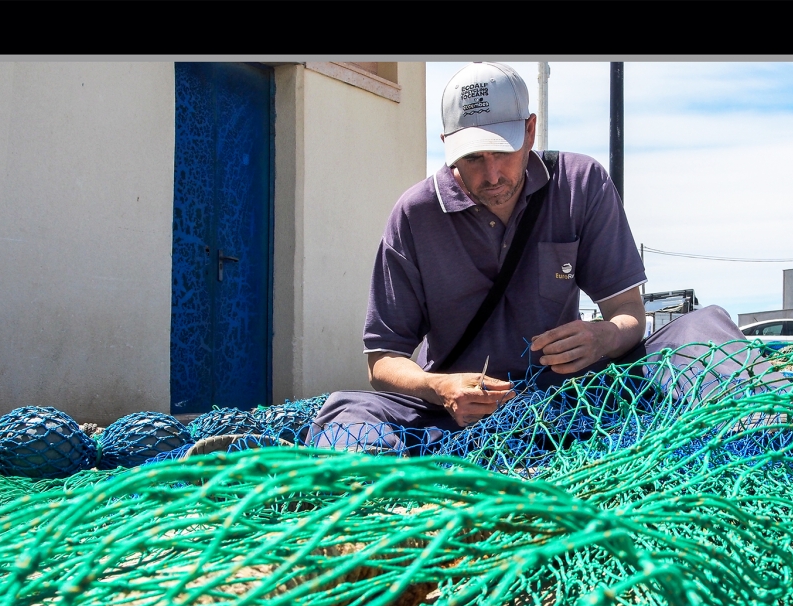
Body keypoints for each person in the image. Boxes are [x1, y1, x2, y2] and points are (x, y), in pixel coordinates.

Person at [310, 62, 748, 451]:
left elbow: (627, 311)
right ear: (446, 144)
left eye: (503, 150)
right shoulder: (414, 214)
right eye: (473, 157)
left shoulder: (581, 183)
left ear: (531, 130)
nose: (492, 174)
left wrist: (602, 338)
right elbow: (382, 360)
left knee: (702, 327)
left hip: (574, 398)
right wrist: (438, 386)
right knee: (345, 414)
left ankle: (764, 429)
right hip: (456, 414)